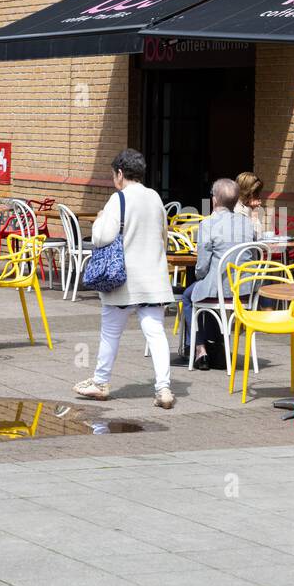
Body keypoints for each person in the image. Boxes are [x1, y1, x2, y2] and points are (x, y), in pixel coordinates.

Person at [73, 148, 175, 409]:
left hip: (122, 281)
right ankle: (163, 388)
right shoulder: (155, 198)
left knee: (110, 333)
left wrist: (97, 221)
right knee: (156, 334)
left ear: (120, 173)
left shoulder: (118, 199)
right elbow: (163, 236)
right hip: (153, 279)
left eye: (113, 175)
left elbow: (102, 237)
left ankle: (101, 381)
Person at [181, 177, 257, 369]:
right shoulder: (247, 223)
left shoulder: (208, 224)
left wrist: (200, 276)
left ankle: (200, 349)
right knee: (210, 290)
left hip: (221, 289)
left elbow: (202, 265)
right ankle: (217, 345)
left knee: (189, 296)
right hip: (245, 288)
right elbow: (253, 254)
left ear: (214, 199)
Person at [234, 171, 267, 235]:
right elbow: (257, 235)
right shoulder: (237, 210)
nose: (258, 196)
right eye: (256, 193)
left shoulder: (246, 207)